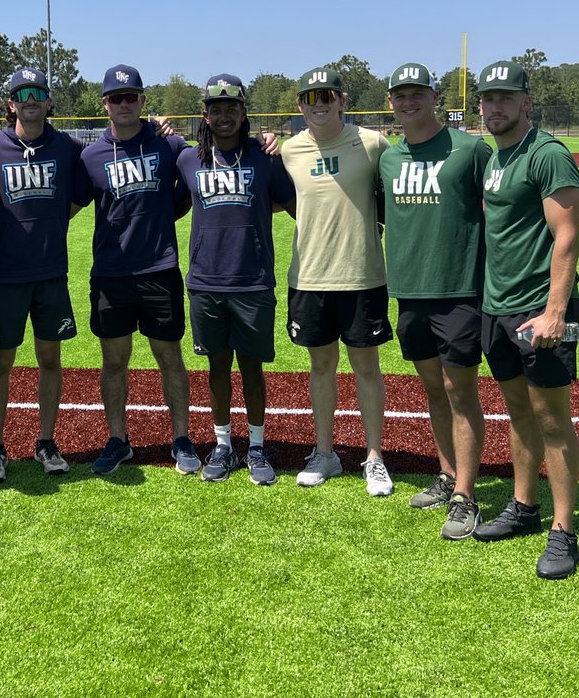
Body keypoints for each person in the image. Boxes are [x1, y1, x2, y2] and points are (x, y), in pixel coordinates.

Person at [471, 60, 579, 579]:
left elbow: (566, 235)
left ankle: (563, 531)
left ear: (525, 102)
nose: (495, 106)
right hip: (497, 306)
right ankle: (524, 507)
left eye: (504, 97)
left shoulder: (548, 155)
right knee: (518, 411)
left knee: (553, 420)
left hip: (539, 308)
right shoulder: (497, 157)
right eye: (487, 98)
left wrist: (555, 311)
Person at [378, 63, 491, 538]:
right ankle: (447, 475)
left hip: (459, 291)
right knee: (432, 388)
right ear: (390, 102)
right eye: (400, 95)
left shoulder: (470, 150)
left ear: (435, 95)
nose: (409, 102)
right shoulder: (387, 158)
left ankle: (467, 494)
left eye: (417, 93)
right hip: (409, 292)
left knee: (460, 391)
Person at [74, 64, 199, 476]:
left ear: (143, 101)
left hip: (159, 269)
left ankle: (180, 438)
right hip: (111, 273)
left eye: (131, 97)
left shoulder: (170, 144)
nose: (124, 104)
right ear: (104, 104)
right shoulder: (90, 155)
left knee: (169, 356)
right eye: (116, 98)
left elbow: (189, 193)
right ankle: (118, 439)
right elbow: (70, 205)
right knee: (114, 360)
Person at [280, 67, 394, 496]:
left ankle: (374, 457)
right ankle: (325, 453)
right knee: (321, 366)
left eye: (327, 95)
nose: (319, 103)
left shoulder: (372, 143)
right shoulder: (290, 150)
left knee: (367, 368)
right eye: (311, 97)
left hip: (362, 275)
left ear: (343, 101)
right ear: (300, 106)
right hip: (309, 276)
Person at [177, 74, 295, 485]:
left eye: (231, 108)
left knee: (252, 369)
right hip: (206, 281)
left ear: (244, 112)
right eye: (215, 109)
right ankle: (224, 443)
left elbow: (289, 200)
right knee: (216, 366)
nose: (223, 116)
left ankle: (257, 445)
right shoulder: (188, 159)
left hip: (252, 279)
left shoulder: (265, 156)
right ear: (205, 115)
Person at [0, 68, 85, 482]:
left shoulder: (68, 147)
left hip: (50, 273)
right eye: (22, 93)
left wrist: (54, 223)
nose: (30, 99)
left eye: (38, 92)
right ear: (11, 102)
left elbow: (82, 194)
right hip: (5, 276)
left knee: (50, 359)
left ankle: (46, 441)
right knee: (0, 363)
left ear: (49, 101)